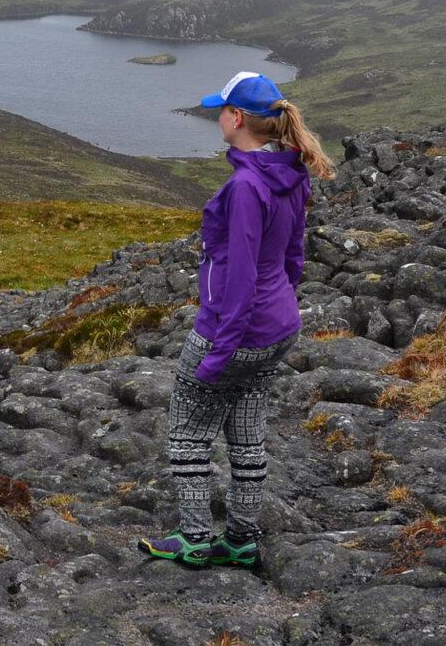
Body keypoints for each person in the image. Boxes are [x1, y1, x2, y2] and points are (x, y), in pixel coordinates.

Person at [138, 71, 334, 568]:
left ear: (238, 118)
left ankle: (195, 539)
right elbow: (293, 254)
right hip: (278, 326)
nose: (217, 116)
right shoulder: (290, 171)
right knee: (246, 431)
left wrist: (218, 352)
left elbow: (242, 274)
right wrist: (280, 306)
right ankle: (242, 540)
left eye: (221, 109)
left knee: (187, 431)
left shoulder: (247, 184)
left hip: (235, 328)